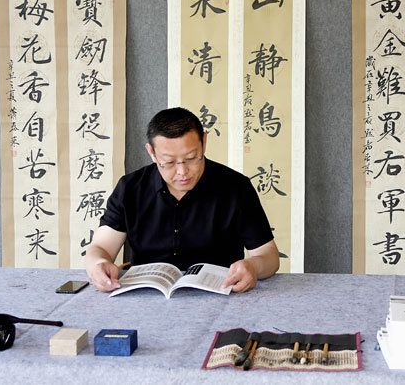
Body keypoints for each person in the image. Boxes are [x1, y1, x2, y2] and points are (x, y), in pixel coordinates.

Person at [85, 107, 279, 293]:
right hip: (146, 298)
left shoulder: (236, 187)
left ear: (204, 142)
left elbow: (269, 256)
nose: (182, 171)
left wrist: (253, 266)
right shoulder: (131, 189)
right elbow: (101, 247)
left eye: (192, 158)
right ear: (151, 152)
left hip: (219, 296)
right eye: (169, 162)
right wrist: (98, 264)